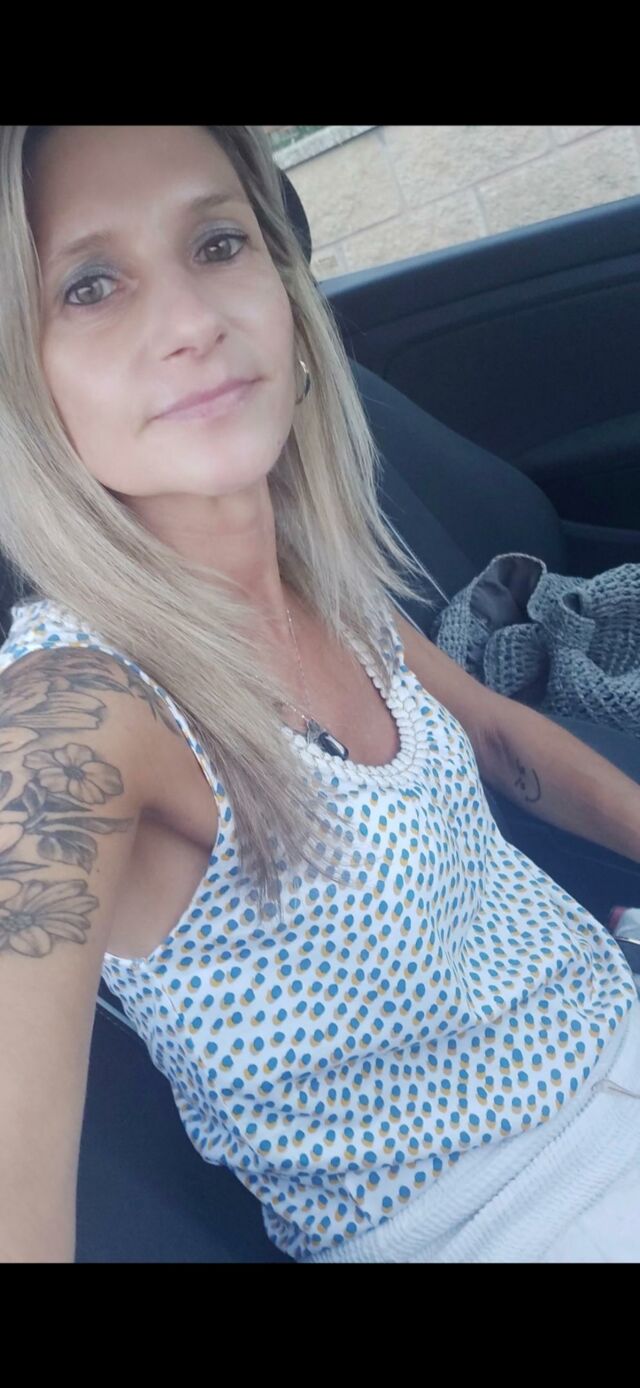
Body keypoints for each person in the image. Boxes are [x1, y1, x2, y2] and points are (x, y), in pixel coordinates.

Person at [0, 124, 639, 1264]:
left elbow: (496, 736)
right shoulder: (73, 715)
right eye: (89, 285)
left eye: (218, 243)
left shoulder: (316, 578)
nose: (193, 319)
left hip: (608, 1018)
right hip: (521, 1211)